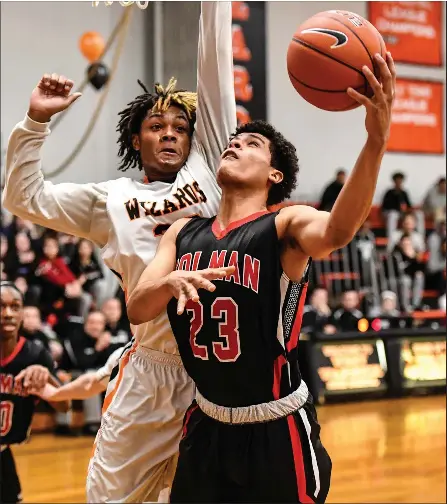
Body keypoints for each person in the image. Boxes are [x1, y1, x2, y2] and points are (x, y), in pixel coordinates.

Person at [127, 52, 396, 502]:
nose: (234, 145)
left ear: (274, 174)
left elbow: (338, 231)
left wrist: (375, 142)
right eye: (232, 142)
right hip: (206, 424)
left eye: (251, 144)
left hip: (275, 427)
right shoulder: (182, 231)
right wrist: (167, 283)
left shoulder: (285, 223)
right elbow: (138, 308)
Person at [2, 3, 235, 501]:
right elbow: (22, 198)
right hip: (152, 370)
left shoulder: (210, 167)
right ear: (136, 138)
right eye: (156, 125)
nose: (169, 132)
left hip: (220, 372)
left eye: (180, 127)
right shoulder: (108, 200)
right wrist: (36, 120)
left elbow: (216, 65)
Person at [0, 281, 70, 504]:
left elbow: (64, 406)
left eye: (15, 307)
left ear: (22, 313)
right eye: (1, 306)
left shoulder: (36, 355)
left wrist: (46, 377)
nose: (8, 314)